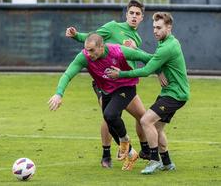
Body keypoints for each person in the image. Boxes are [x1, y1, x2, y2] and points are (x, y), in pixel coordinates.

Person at [65, 0, 158, 167]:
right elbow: (92, 38)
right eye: (131, 13)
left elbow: (138, 57)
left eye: (138, 14)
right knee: (109, 115)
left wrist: (153, 64)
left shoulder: (136, 37)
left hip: (124, 81)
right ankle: (106, 155)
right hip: (104, 81)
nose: (134, 16)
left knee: (141, 116)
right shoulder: (113, 26)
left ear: (143, 17)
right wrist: (76, 36)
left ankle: (142, 150)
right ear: (126, 14)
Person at [48, 33, 153, 171]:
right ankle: (131, 153)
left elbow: (147, 58)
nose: (88, 53)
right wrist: (58, 94)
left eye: (91, 50)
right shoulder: (84, 57)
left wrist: (161, 71)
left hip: (126, 87)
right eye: (86, 50)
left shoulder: (118, 51)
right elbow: (68, 74)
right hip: (107, 91)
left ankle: (125, 141)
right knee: (110, 123)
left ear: (101, 47)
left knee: (110, 115)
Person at [106, 12, 190, 174]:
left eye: (159, 28)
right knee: (157, 129)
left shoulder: (167, 46)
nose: (155, 31)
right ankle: (167, 162)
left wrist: (120, 74)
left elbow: (146, 70)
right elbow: (154, 58)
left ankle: (154, 160)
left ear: (169, 27)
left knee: (145, 121)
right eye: (153, 27)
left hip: (175, 94)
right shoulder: (168, 42)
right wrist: (137, 49)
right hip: (172, 93)